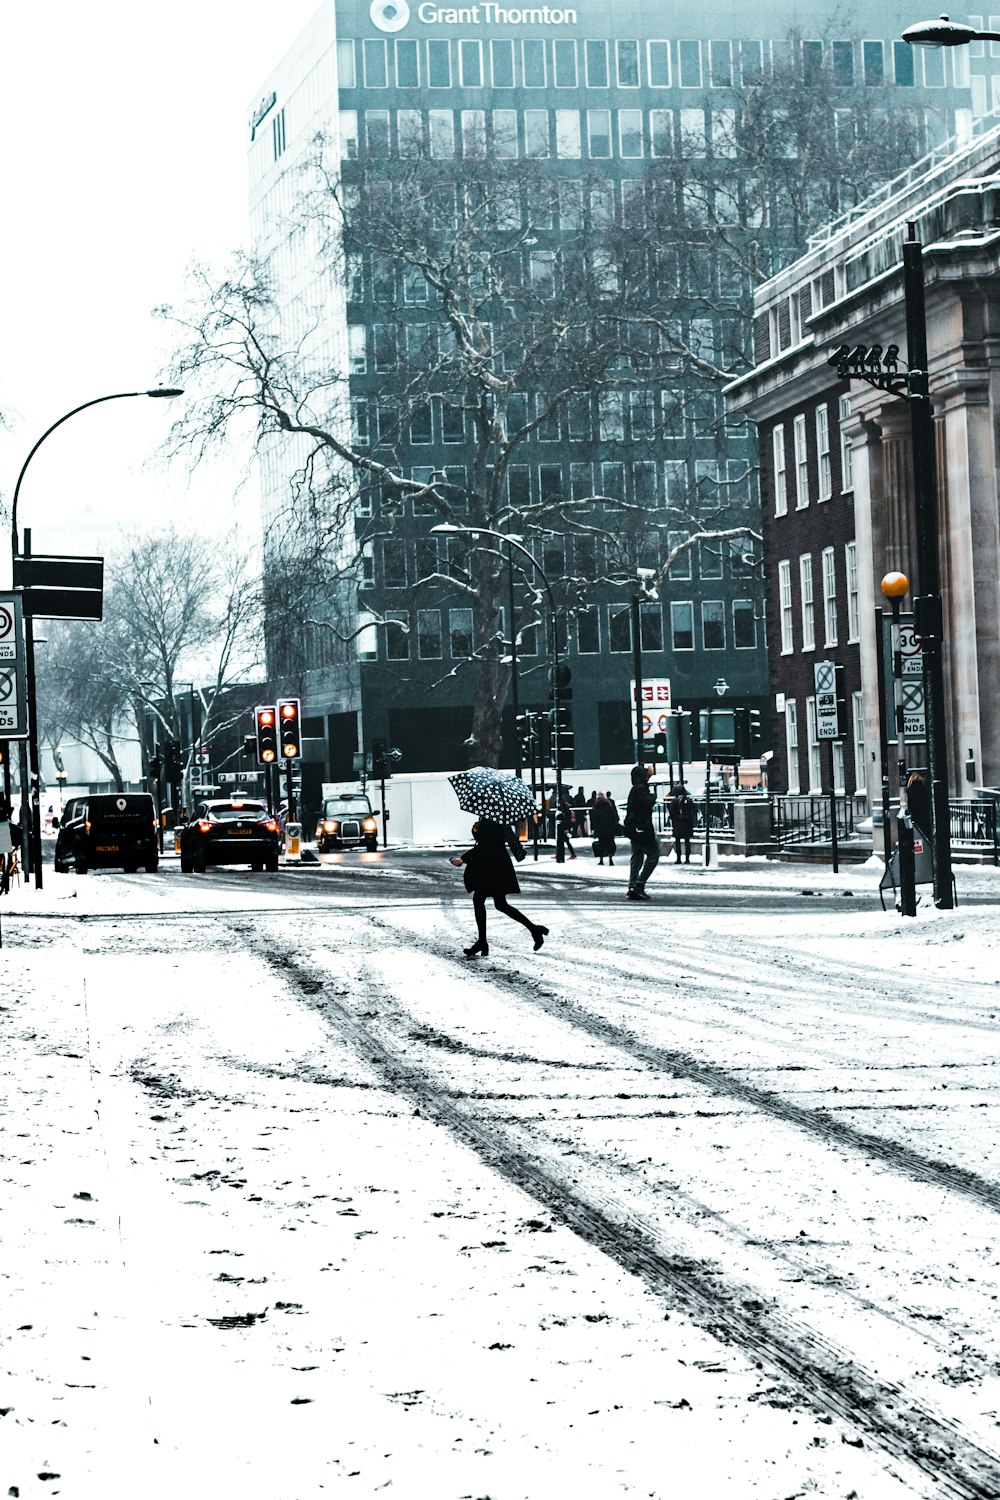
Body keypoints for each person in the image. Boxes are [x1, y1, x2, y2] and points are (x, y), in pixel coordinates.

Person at [450, 818, 548, 957]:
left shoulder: (491, 820)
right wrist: (476, 830)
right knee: (500, 904)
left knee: (481, 901)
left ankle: (483, 942)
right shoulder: (495, 818)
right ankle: (534, 930)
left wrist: (463, 858)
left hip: (492, 867)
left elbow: (485, 845)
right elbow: (486, 841)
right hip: (496, 865)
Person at [624, 763, 660, 901]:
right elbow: (647, 802)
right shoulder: (640, 788)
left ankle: (632, 885)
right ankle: (639, 885)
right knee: (653, 854)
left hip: (634, 828)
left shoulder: (634, 788)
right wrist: (653, 796)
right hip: (642, 828)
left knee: (637, 855)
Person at [667, 785, 696, 864]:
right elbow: (693, 810)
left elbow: (671, 812)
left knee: (678, 841)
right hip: (687, 824)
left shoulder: (674, 801)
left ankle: (678, 858)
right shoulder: (688, 800)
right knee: (687, 841)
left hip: (677, 824)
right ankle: (687, 858)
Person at [590, 793, 621, 866]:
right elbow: (615, 818)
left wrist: (594, 830)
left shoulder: (596, 809)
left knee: (601, 844)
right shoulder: (609, 808)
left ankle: (601, 860)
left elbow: (594, 821)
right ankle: (610, 859)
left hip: (601, 830)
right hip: (610, 829)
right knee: (610, 844)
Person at [904, 771, 931, 840]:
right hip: (925, 819)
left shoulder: (909, 791)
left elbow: (910, 806)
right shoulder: (924, 790)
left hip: (915, 820)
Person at [556, 793, 577, 861]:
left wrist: (566, 828)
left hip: (564, 827)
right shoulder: (566, 808)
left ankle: (571, 854)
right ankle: (571, 854)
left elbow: (565, 819)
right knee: (565, 841)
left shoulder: (563, 809)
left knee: (564, 841)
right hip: (565, 827)